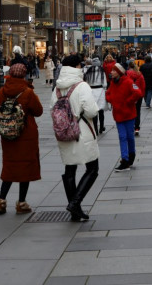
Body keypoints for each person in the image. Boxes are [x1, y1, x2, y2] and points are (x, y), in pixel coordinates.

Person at [52, 54, 100, 221]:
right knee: (93, 168)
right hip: (82, 131)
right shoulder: (82, 86)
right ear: (77, 67)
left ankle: (75, 209)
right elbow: (92, 111)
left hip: (64, 132)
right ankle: (75, 203)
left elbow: (52, 108)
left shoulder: (57, 87)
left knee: (70, 169)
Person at [0, 63, 43, 215]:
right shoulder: (27, 92)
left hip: (8, 134)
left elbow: (1, 107)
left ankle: (1, 201)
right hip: (26, 134)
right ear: (23, 75)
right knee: (25, 167)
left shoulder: (3, 91)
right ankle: (21, 202)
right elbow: (38, 111)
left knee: (9, 166)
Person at [105, 63, 143, 171]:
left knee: (129, 137)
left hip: (129, 114)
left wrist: (128, 102)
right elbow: (108, 93)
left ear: (119, 72)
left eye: (113, 70)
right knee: (122, 136)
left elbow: (138, 93)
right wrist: (111, 99)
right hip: (118, 114)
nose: (111, 72)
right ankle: (125, 160)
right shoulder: (113, 83)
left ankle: (131, 155)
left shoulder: (128, 82)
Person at [83, 56, 107, 134]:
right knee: (101, 111)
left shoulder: (89, 71)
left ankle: (95, 129)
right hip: (100, 91)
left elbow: (86, 82)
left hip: (91, 91)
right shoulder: (102, 71)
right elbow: (105, 83)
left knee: (94, 110)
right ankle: (102, 127)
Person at [126, 62, 145, 136]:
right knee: (137, 111)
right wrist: (142, 94)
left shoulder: (127, 74)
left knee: (130, 111)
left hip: (130, 95)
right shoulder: (140, 75)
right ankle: (137, 128)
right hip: (138, 95)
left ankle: (131, 126)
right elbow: (143, 86)